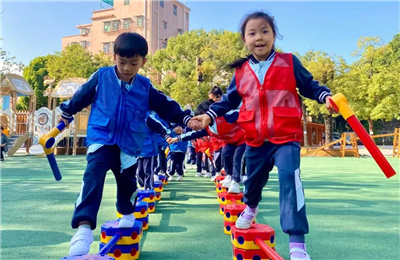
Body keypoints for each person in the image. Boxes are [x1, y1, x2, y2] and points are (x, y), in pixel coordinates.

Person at [188, 11, 335, 260]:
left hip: (285, 137)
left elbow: (310, 85)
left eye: (265, 31)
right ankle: (251, 207)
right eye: (252, 33)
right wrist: (209, 116)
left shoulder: (289, 62)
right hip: (255, 139)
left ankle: (297, 243)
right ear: (244, 40)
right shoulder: (241, 71)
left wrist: (326, 97)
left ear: (274, 35)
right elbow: (228, 100)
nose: (259, 37)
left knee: (290, 179)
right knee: (253, 181)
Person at [58, 32, 192, 257]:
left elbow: (165, 105)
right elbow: (81, 96)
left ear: (143, 62)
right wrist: (67, 113)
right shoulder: (101, 77)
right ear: (114, 58)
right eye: (122, 62)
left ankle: (127, 211)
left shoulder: (145, 86)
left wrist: (186, 118)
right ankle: (83, 229)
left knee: (127, 183)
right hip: (102, 138)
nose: (127, 68)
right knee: (93, 175)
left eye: (133, 63)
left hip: (129, 144)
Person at [170, 100, 246, 193]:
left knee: (237, 158)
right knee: (225, 155)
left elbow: (241, 112)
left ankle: (235, 181)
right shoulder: (207, 128)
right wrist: (177, 139)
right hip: (229, 142)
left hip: (243, 139)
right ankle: (229, 176)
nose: (200, 121)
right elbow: (193, 134)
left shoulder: (225, 117)